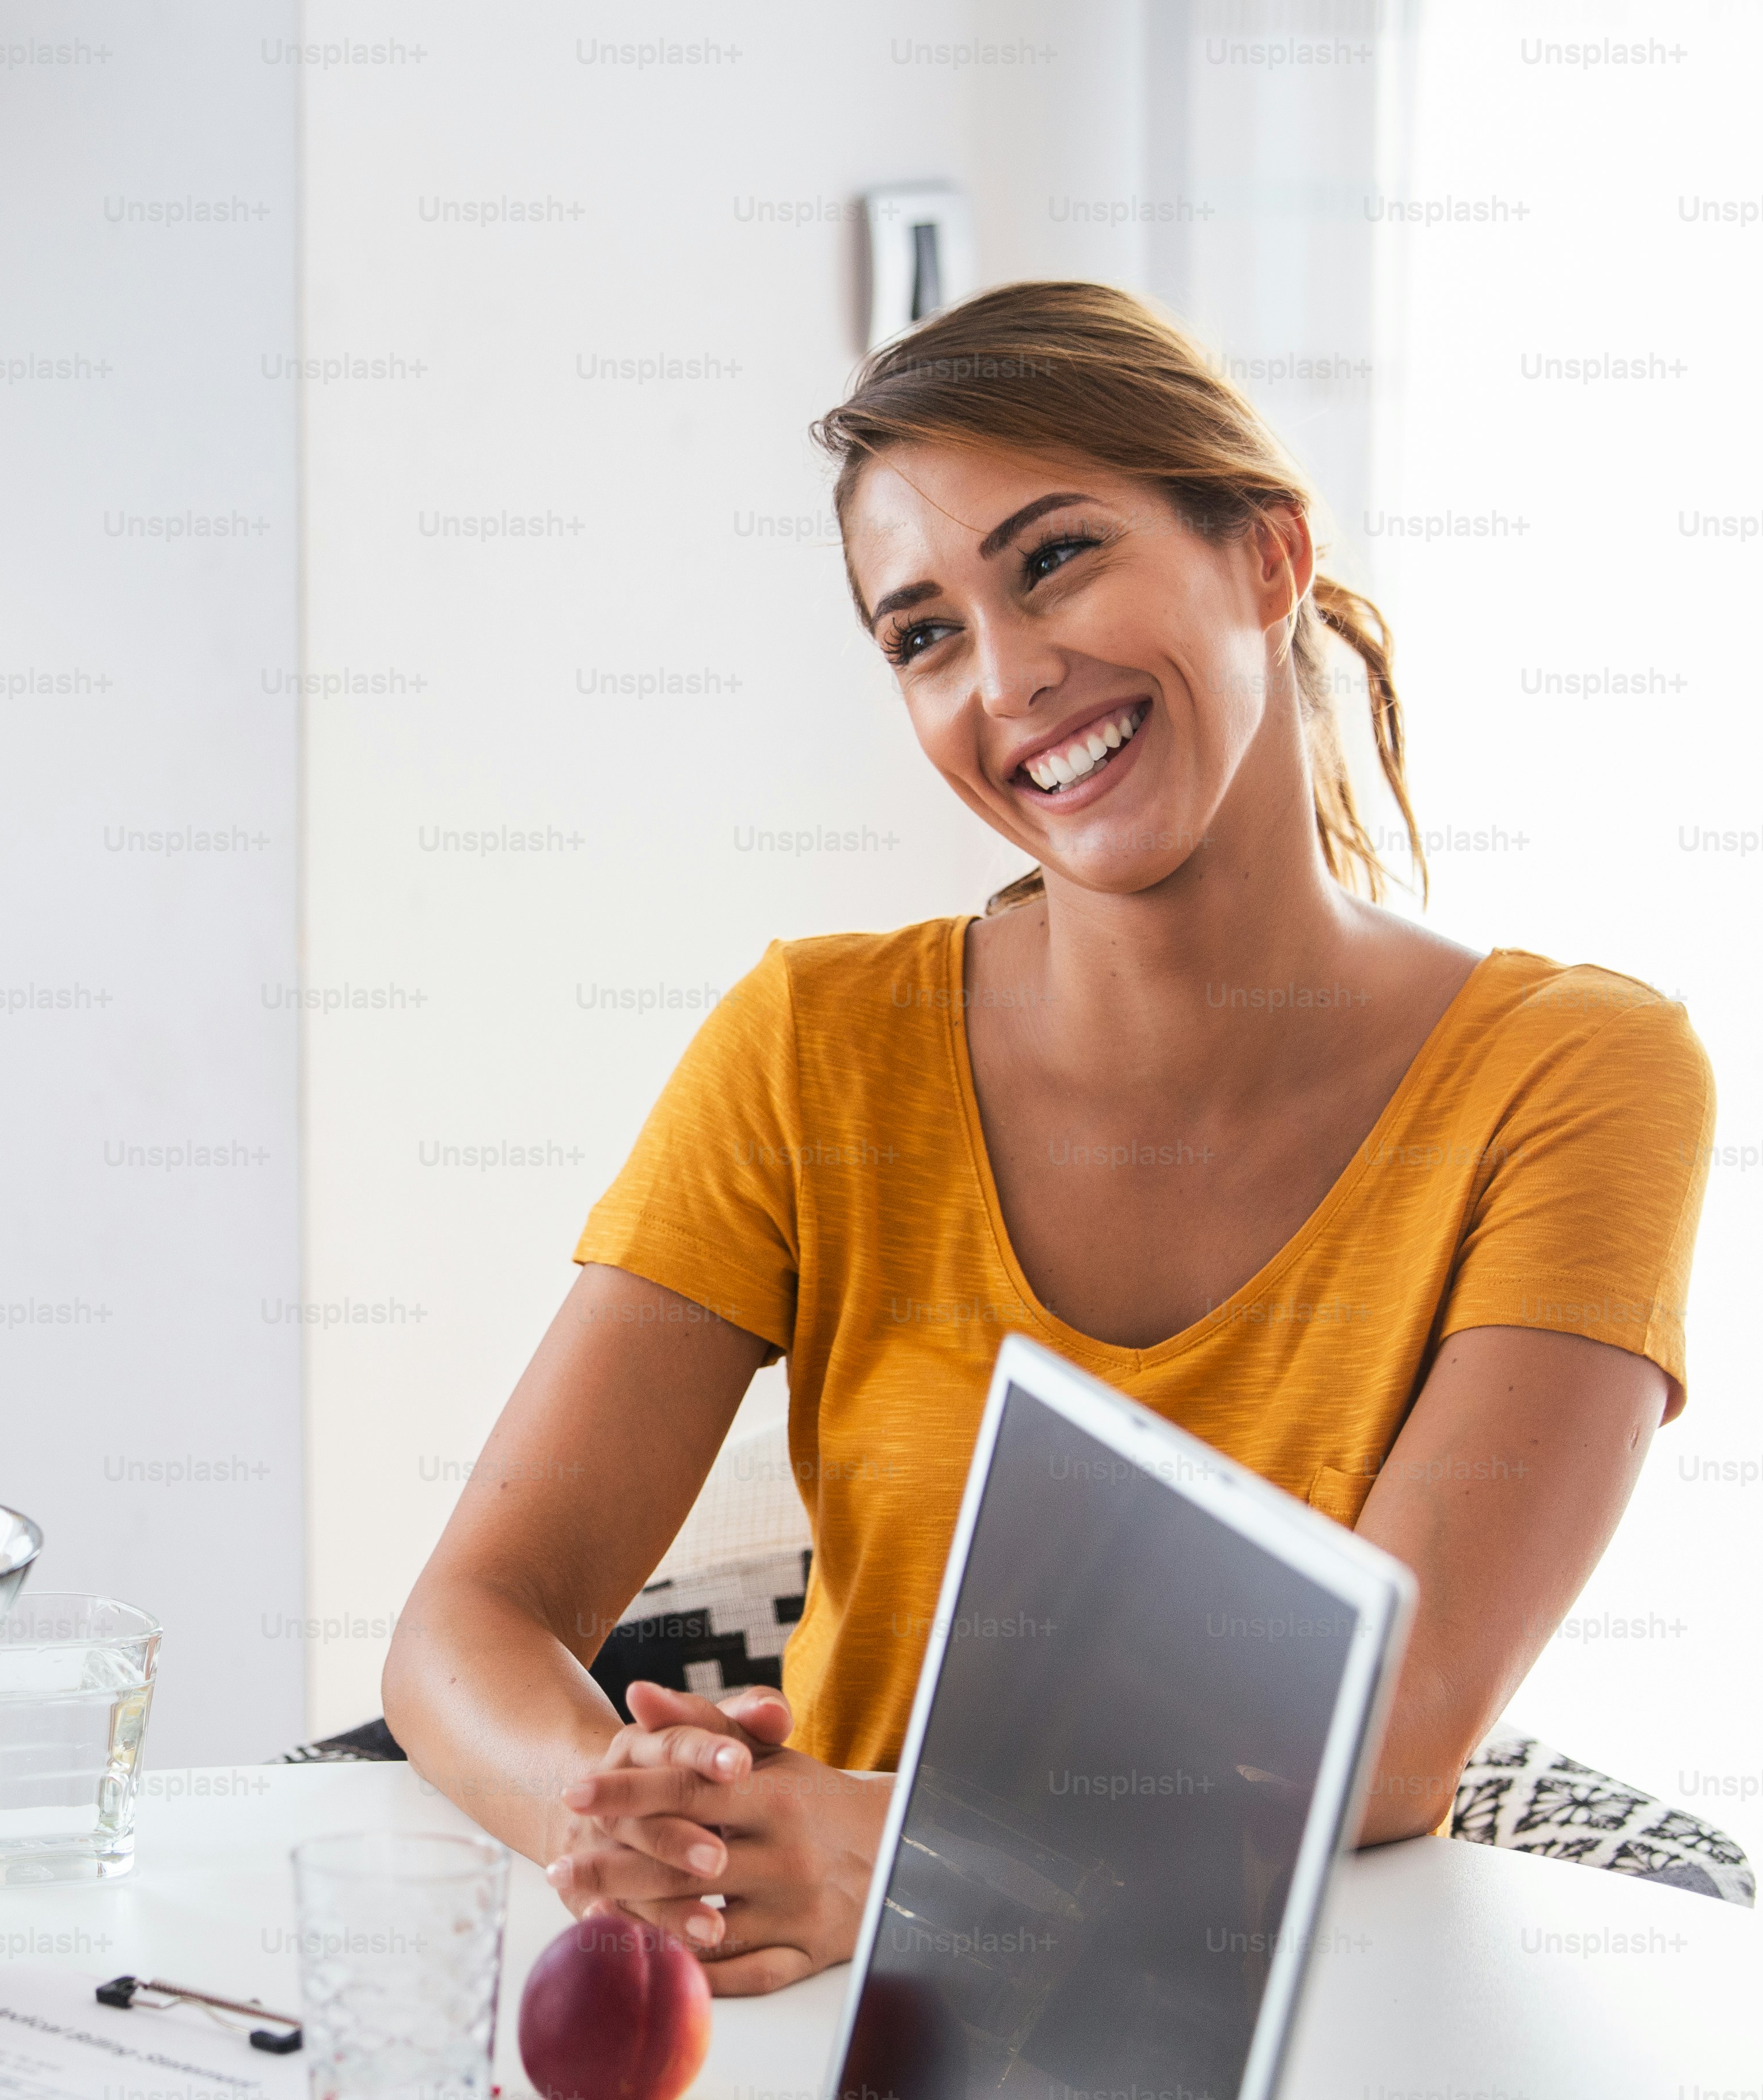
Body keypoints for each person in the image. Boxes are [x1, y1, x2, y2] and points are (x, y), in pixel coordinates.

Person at [382, 281, 1715, 1995]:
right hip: (858, 2021)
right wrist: (648, 1823)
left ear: (1269, 558)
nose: (1008, 679)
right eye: (922, 634)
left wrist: (895, 1851)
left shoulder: (1577, 1078)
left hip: (1311, 2027)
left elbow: (1392, 1733)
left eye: (1057, 557)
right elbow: (466, 1624)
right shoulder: (814, 1048)